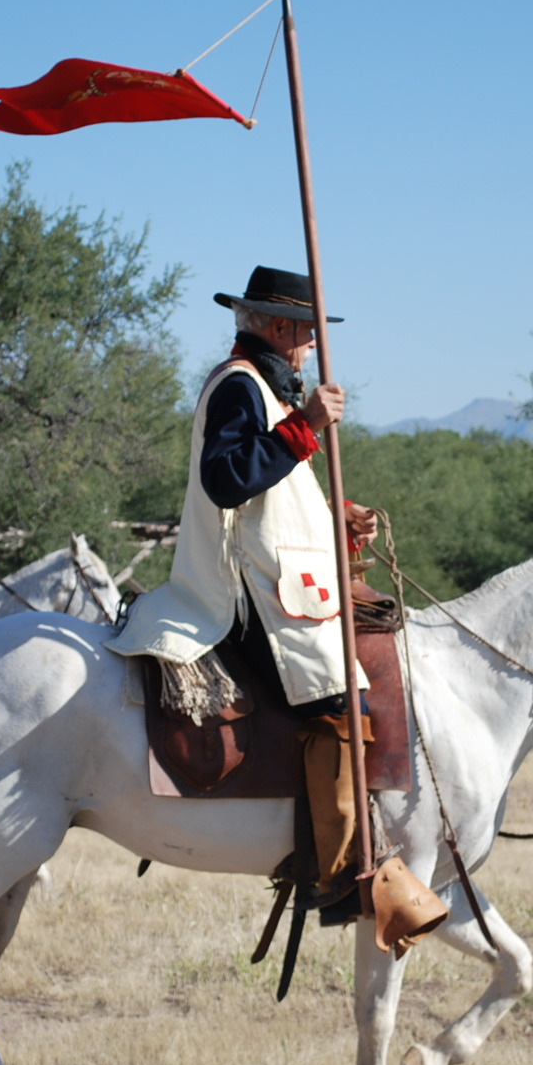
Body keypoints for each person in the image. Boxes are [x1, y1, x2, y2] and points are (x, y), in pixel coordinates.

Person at [106, 265, 378, 894]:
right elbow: (226, 480)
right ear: (280, 327)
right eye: (307, 332)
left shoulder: (271, 391)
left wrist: (337, 518)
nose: (312, 343)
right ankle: (336, 875)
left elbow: (273, 498)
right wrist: (306, 425)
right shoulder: (239, 386)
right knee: (344, 704)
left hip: (283, 582)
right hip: (246, 592)